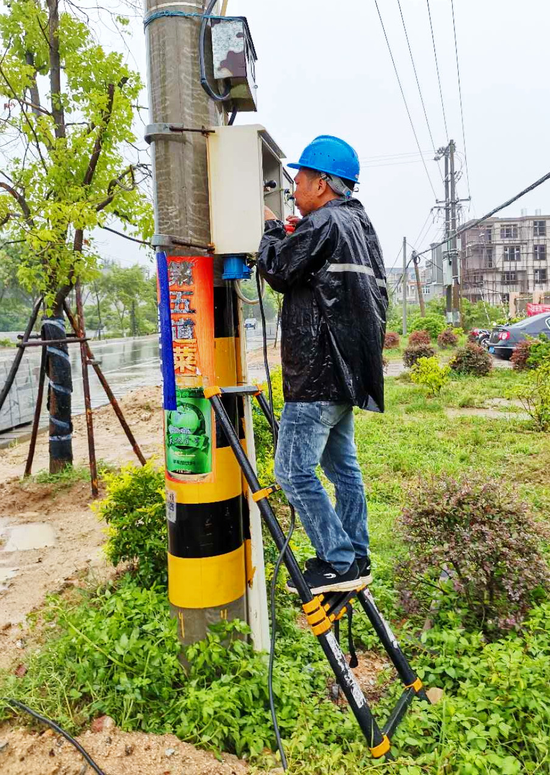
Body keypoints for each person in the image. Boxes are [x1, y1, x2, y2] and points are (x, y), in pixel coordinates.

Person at [257, 135, 388, 595]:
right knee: (343, 470)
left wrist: (272, 230)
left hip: (315, 376)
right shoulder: (357, 224)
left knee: (291, 473)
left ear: (324, 183)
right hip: (348, 375)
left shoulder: (324, 223)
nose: (294, 188)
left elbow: (275, 269)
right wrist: (299, 234)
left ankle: (338, 562)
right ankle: (357, 552)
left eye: (301, 179)